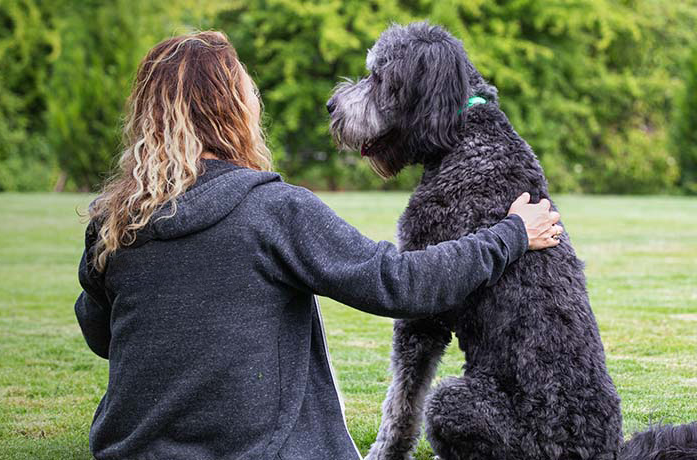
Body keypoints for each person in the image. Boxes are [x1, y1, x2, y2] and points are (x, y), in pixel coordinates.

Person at [73, 31, 563, 460]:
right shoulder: (272, 209)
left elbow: (102, 336)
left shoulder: (110, 222)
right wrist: (512, 234)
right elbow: (400, 284)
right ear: (234, 111)